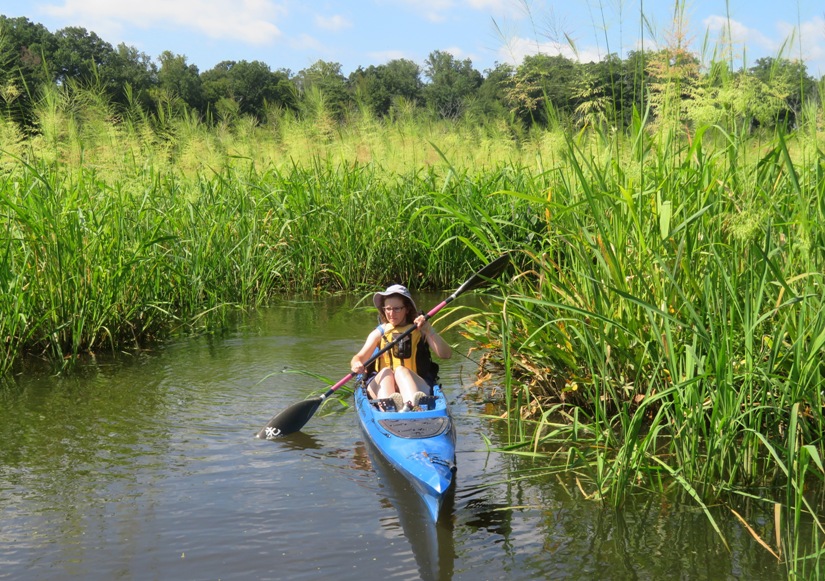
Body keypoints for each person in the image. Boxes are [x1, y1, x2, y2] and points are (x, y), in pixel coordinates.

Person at [350, 284, 452, 411]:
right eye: (388, 309)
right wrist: (356, 364)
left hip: (416, 385)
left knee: (400, 370)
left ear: (407, 309)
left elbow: (446, 354)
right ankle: (389, 409)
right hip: (383, 386)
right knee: (387, 372)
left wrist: (429, 330)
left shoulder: (420, 329)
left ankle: (412, 407)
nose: (391, 313)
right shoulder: (380, 332)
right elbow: (359, 357)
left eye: (397, 309)